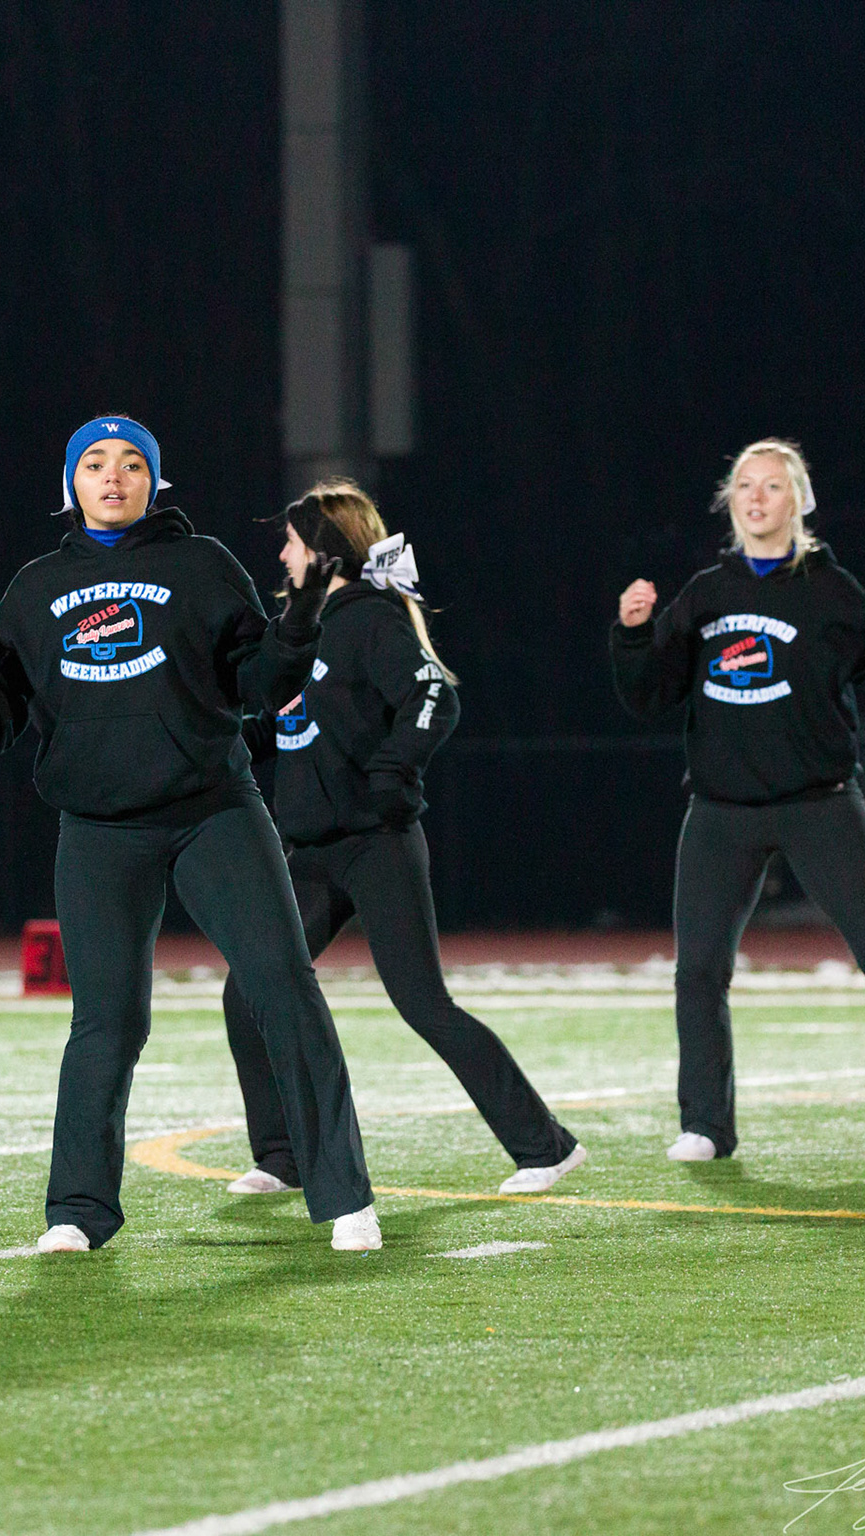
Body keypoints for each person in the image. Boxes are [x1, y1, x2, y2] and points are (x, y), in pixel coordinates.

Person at [0, 417, 380, 1251]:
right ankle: (77, 1211)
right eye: (95, 463)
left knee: (283, 986)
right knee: (107, 1021)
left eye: (131, 464)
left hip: (213, 811)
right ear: (71, 484)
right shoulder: (35, 587)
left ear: (154, 483)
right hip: (99, 830)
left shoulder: (202, 565)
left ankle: (345, 1198)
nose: (113, 476)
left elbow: (260, 685)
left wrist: (300, 623)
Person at [611, 439, 865, 1162]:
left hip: (820, 804)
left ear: (797, 501)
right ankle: (705, 1124)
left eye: (771, 486)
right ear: (730, 502)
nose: (755, 498)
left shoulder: (831, 590)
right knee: (698, 972)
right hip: (720, 812)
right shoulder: (705, 593)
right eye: (743, 486)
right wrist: (635, 635)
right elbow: (649, 695)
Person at [221, 482, 585, 1197]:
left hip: (376, 842)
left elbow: (434, 696)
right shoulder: (298, 627)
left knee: (423, 1003)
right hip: (313, 851)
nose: (283, 555)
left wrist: (393, 772)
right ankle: (282, 1156)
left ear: (323, 552)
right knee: (248, 991)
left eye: (291, 542)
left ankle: (545, 1147)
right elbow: (285, 722)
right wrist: (221, 749)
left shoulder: (370, 618)